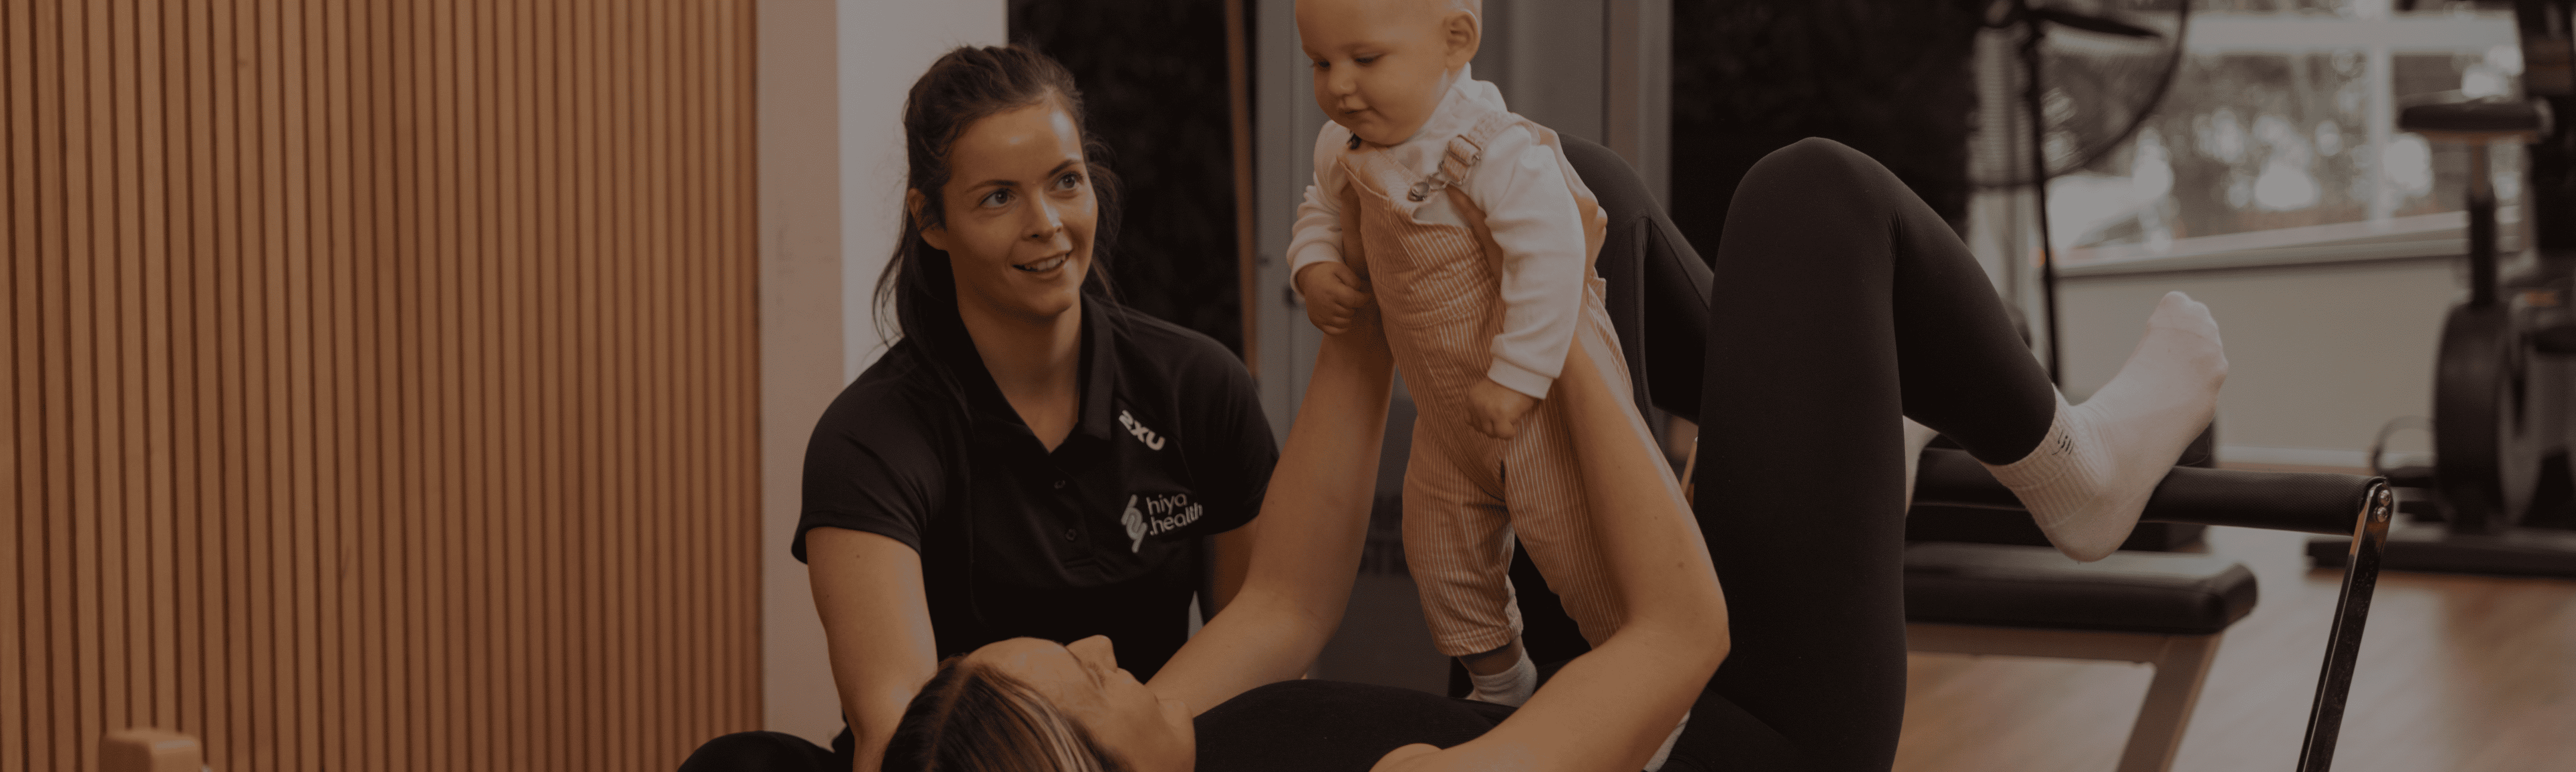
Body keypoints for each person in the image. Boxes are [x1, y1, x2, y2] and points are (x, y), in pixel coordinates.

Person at [872, 135, 2226, 771]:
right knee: (1809, 199)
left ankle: (1835, 434)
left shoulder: (1174, 740)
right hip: (1744, 734)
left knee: (1573, 182)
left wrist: (1374, 258)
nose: (1105, 643)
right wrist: (1557, 319)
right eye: (1086, 677)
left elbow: (1284, 596)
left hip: (1590, 706)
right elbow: (1682, 637)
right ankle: (2076, 475)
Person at [678, 46, 1283, 772]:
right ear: (930, 220)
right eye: (998, 197)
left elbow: (1265, 664)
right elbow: (895, 732)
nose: (1046, 223)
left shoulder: (1200, 387)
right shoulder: (871, 439)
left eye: (1066, 182)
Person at [1284, 0, 1636, 720]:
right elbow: (1318, 207)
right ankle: (1501, 684)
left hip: (1537, 412)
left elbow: (1555, 256)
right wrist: (1314, 266)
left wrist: (1519, 376)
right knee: (1440, 560)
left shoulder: (1496, 152)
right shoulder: (1344, 144)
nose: (1339, 85)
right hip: (1449, 418)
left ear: (1456, 41)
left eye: (1365, 59)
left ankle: (1649, 698)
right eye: (1320, 63)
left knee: (1586, 561)